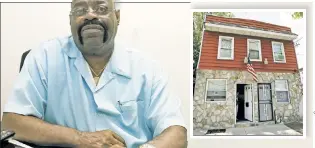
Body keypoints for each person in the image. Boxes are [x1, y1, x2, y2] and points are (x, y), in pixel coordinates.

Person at [1, 0, 187, 148]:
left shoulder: (147, 68)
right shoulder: (44, 57)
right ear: (70, 19)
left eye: (101, 7)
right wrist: (80, 139)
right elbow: (12, 123)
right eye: (80, 9)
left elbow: (176, 133)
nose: (90, 15)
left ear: (117, 16)